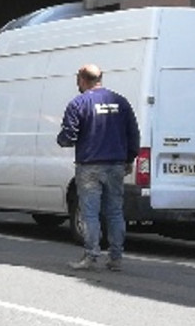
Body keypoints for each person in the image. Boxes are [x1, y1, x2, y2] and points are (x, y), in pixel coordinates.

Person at [57, 64, 140, 272]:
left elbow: (69, 135)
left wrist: (63, 141)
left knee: (90, 213)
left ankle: (91, 256)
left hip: (90, 166)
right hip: (115, 165)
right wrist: (128, 159)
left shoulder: (79, 103)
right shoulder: (121, 102)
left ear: (82, 79)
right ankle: (116, 257)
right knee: (114, 212)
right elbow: (133, 134)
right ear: (100, 78)